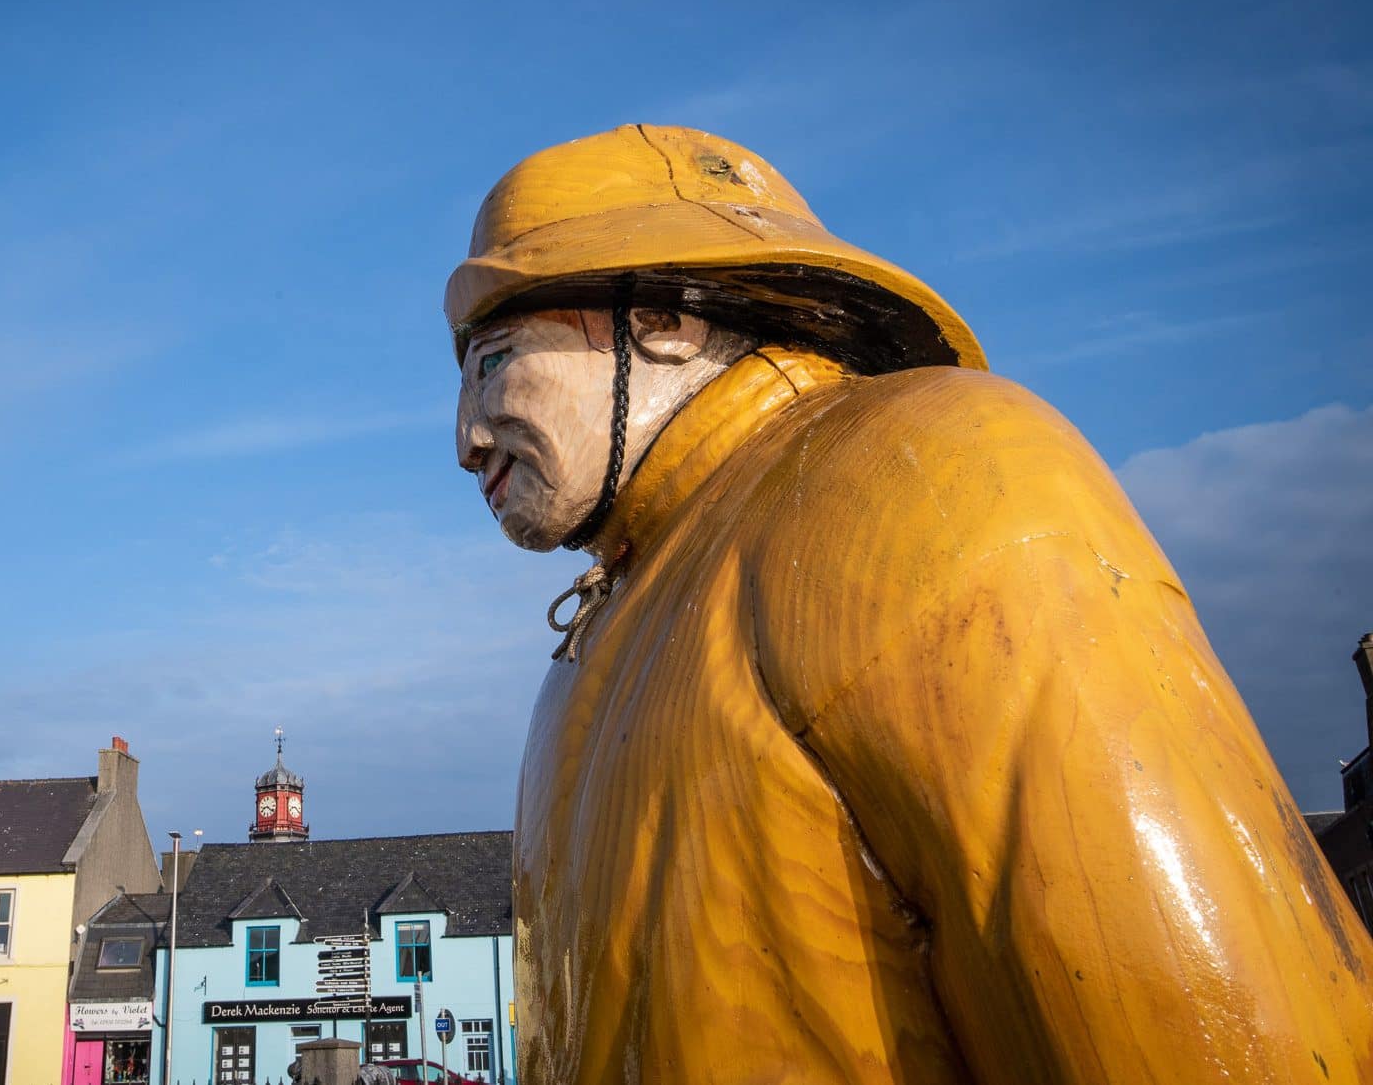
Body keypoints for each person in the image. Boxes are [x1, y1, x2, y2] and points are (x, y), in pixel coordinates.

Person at [447, 125, 1373, 1082]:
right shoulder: (580, 664)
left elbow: (1205, 1026)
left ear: (667, 316)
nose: (466, 440)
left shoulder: (932, 468)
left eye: (495, 359)